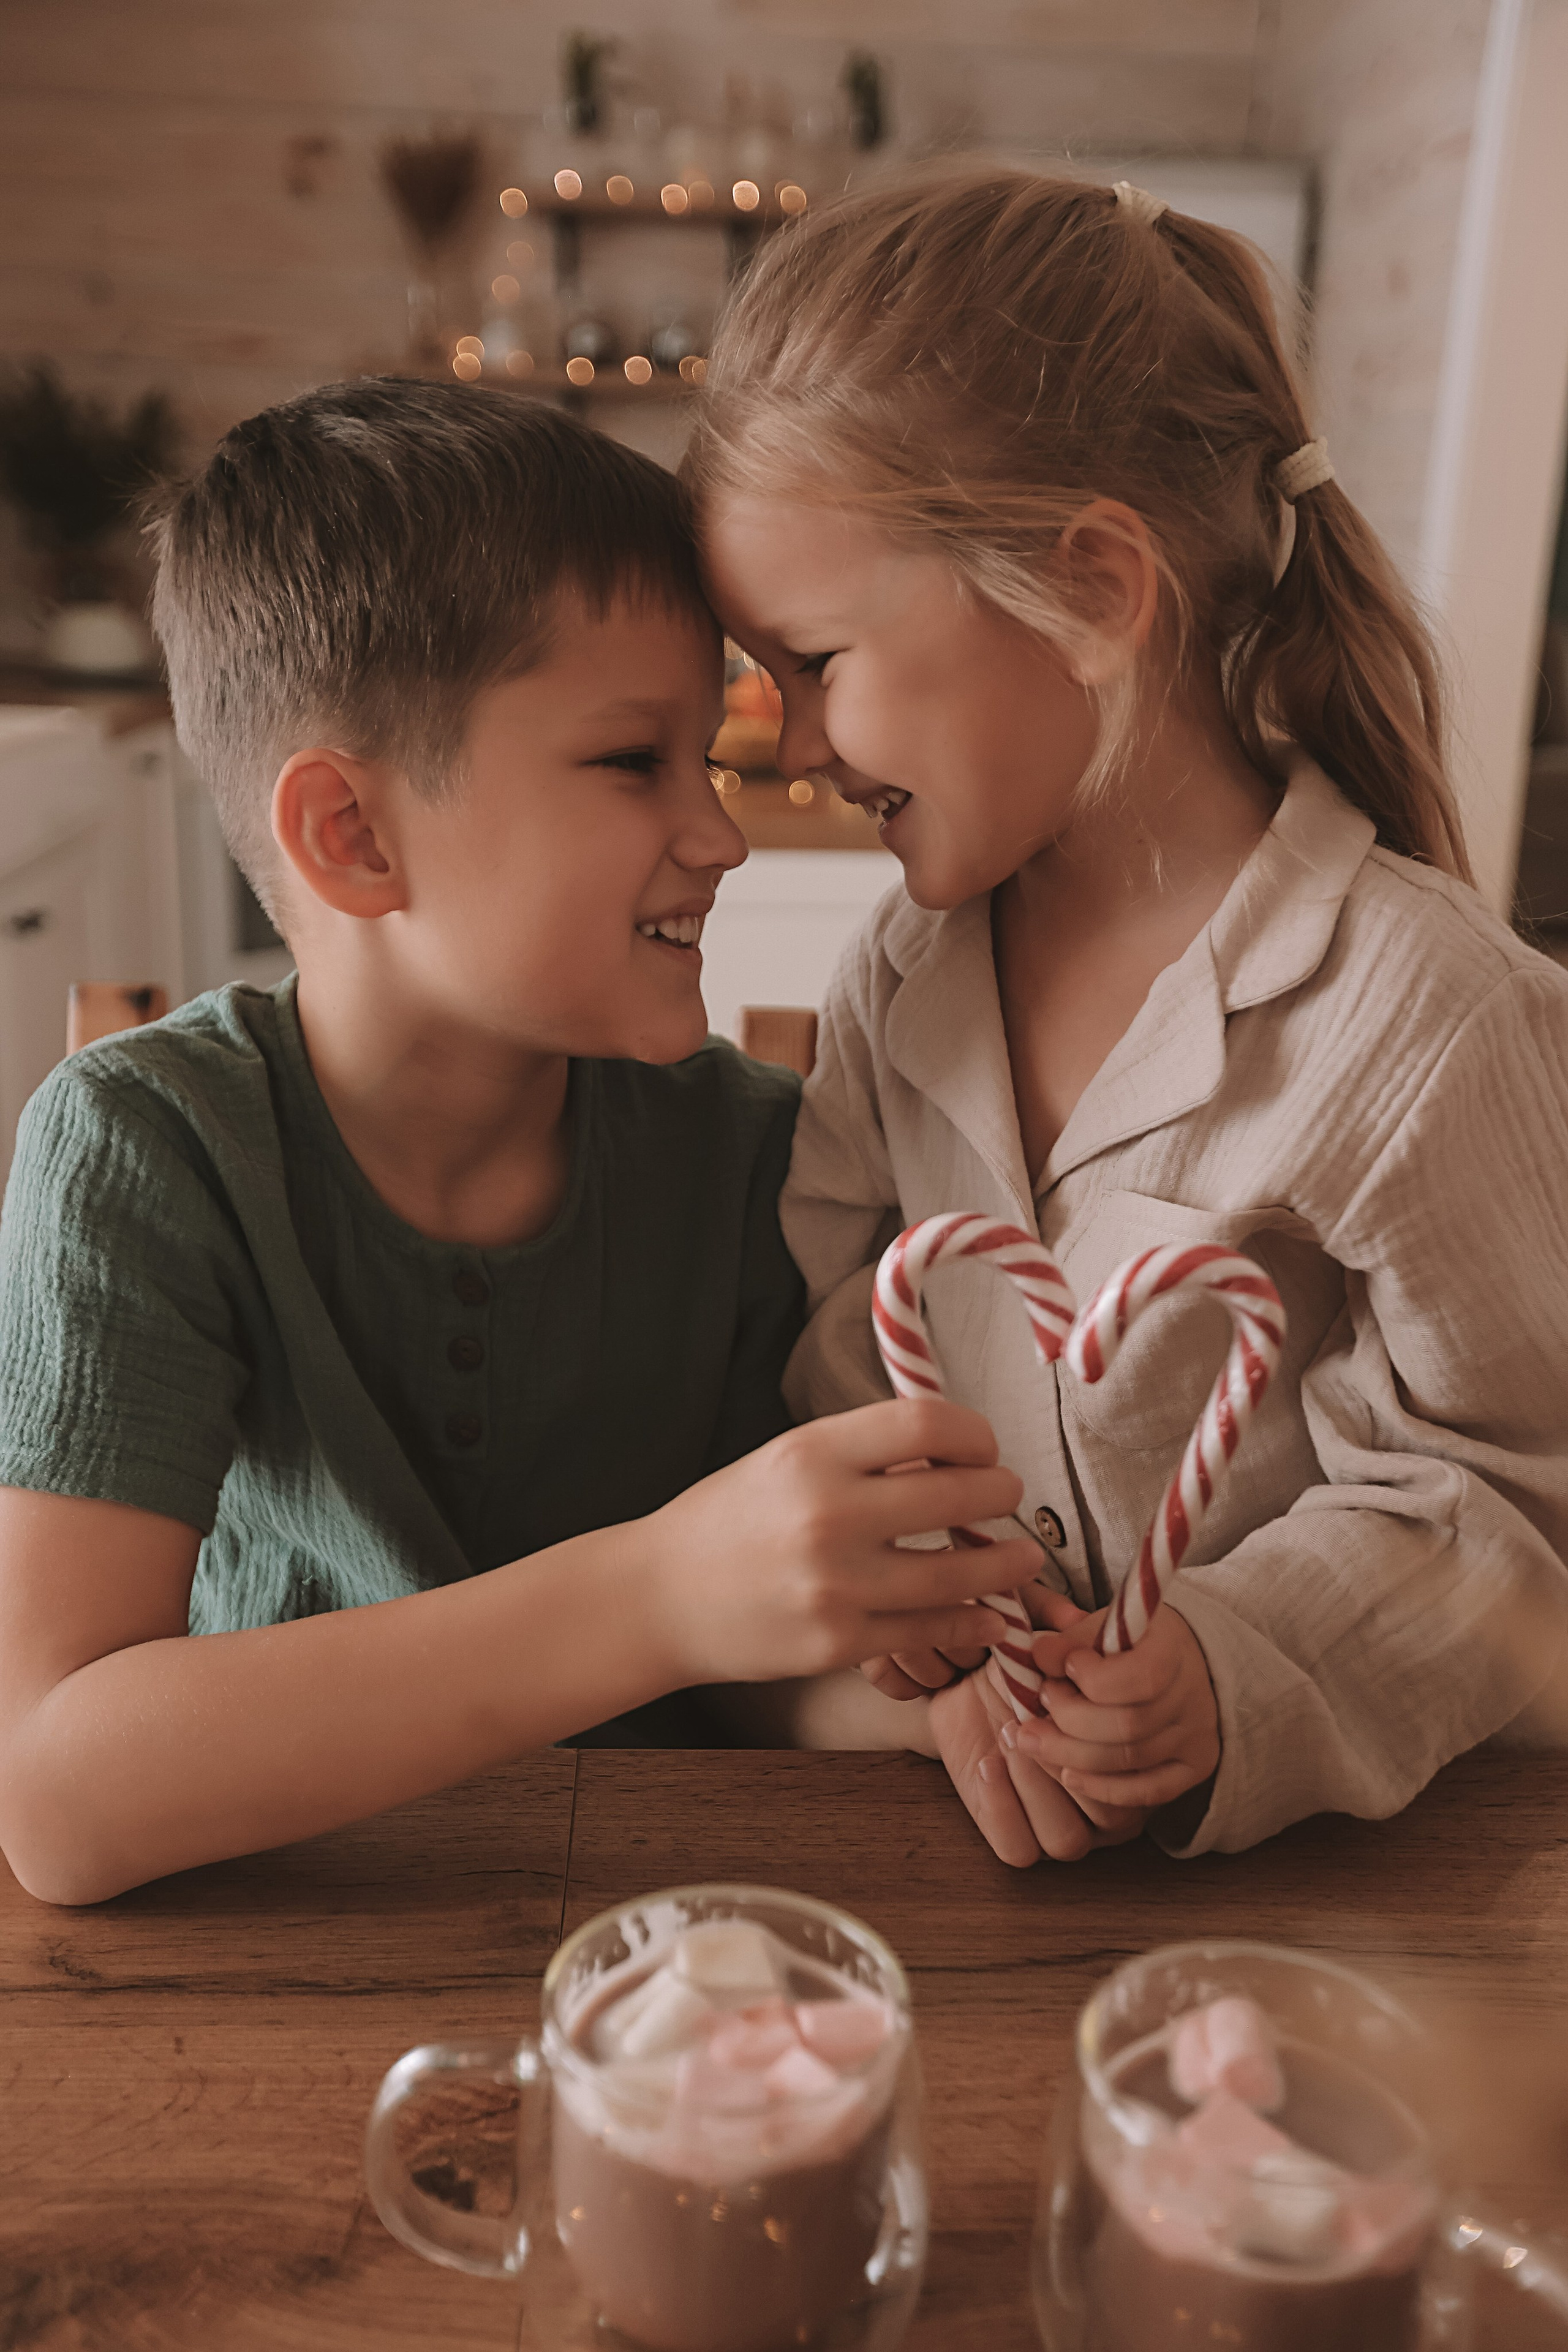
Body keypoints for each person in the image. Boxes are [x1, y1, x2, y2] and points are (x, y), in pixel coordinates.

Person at [0, 381, 1033, 1906]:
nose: (722, 834)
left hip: (669, 1941)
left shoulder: (758, 1159)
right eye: (634, 762)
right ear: (351, 835)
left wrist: (920, 1713)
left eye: (715, 760)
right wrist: (660, 1594)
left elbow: (739, 1668)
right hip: (279, 1958)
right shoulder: (144, 1151)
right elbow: (60, 1797)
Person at [692, 168, 1568, 1866]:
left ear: (1091, 589)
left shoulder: (1429, 1022)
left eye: (814, 661)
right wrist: (910, 1597)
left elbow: (1517, 1499)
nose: (790, 745)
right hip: (962, 1850)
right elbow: (835, 1346)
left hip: (1349, 1915)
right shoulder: (898, 973)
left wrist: (1241, 1668)